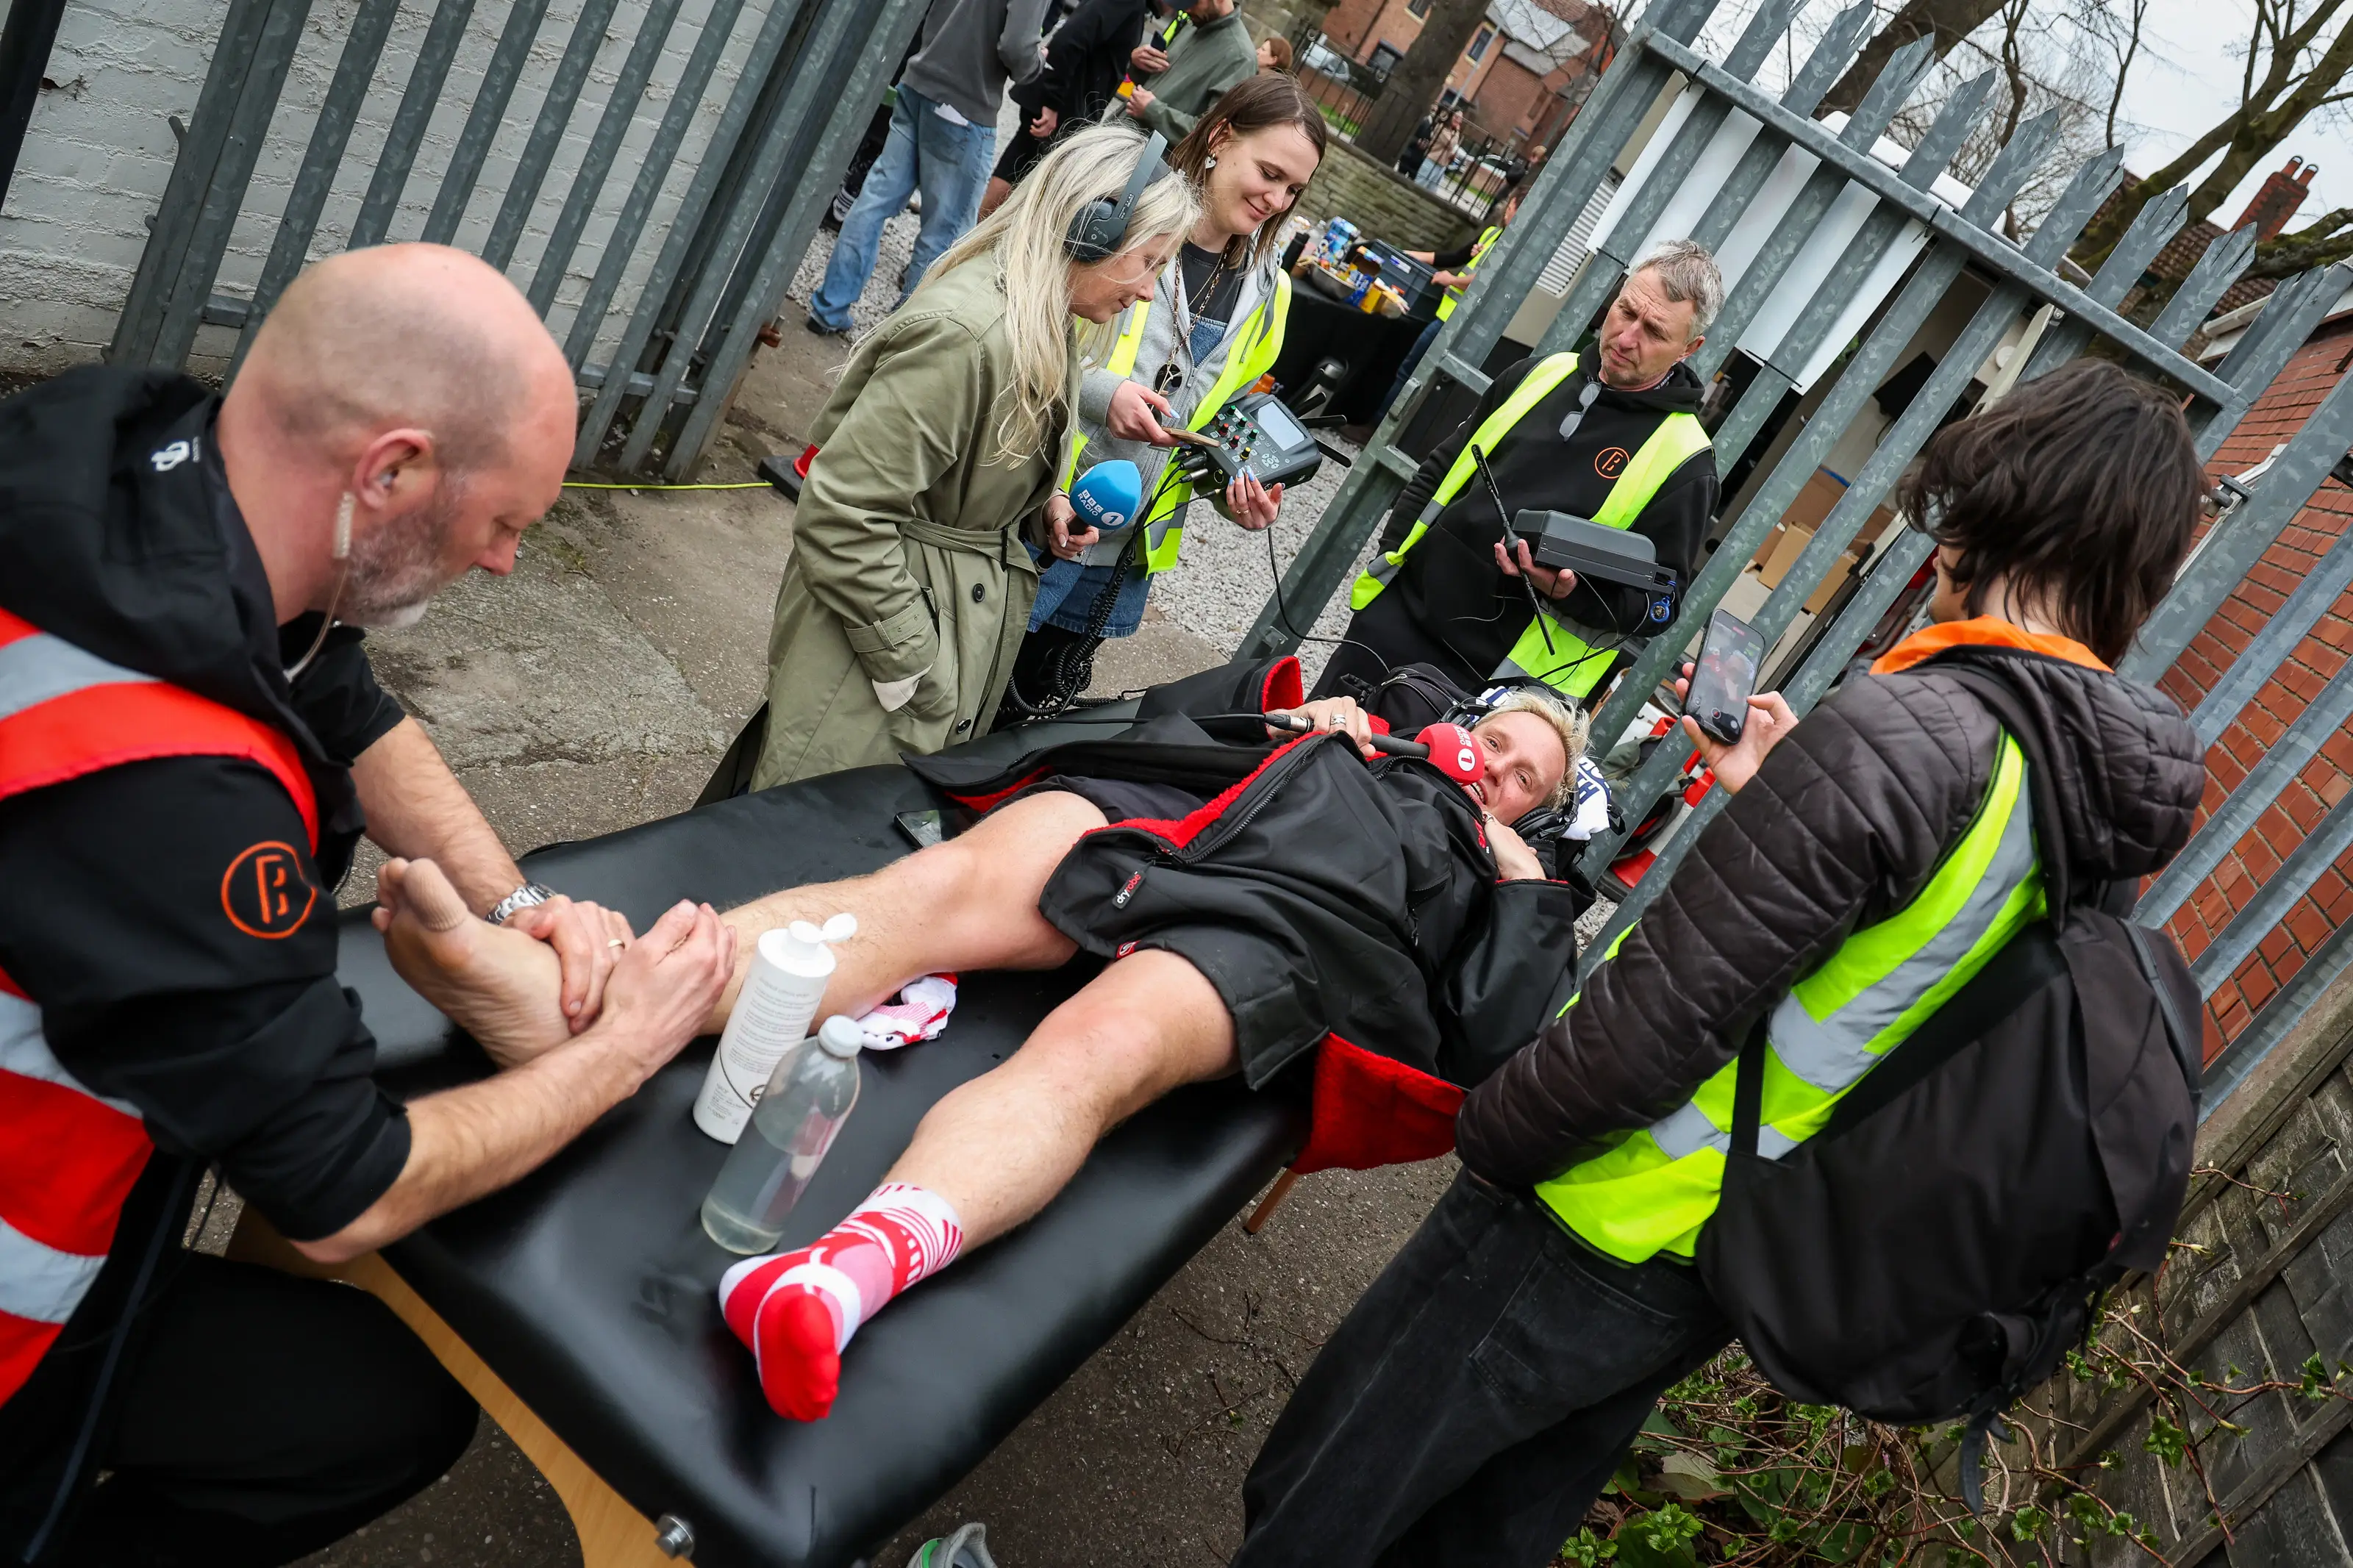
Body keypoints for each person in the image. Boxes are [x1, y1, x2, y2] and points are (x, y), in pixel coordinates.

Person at [1232, 359, 2211, 1566]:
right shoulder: (2077, 793)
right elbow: (1907, 988)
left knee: (1327, 1499)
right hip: (1732, 1244)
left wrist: (1497, 1134)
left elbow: (1659, 1018)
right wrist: (1782, 804)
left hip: (1599, 1204)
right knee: (1472, 1537)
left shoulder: (1918, 734)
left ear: (2000, 497)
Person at [0, 243, 738, 1567]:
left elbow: (338, 696)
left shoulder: (129, 464)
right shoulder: (158, 789)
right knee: (361, 1408)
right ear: (390, 473)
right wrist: (626, 1047)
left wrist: (520, 905)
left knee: (363, 1400)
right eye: (504, 521)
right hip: (17, 1300)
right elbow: (341, 1186)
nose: (510, 563)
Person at [370, 677, 1588, 1422]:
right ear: (1465, 719)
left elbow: (1488, 1035)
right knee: (927, 893)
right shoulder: (1354, 730)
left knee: (1099, 1050)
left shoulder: (1498, 871)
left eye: (1533, 778)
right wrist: (1298, 717)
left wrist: (1526, 890)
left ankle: (832, 1281)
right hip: (1176, 813)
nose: (1507, 769)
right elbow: (1175, 722)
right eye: (1506, 740)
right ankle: (566, 999)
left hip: (1301, 931)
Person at [753, 125, 1196, 788]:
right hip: (882, 662)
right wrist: (917, 667)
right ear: (1088, 229)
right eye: (1149, 261)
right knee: (797, 862)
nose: (1146, 292)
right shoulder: (968, 335)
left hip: (938, 631)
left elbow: (964, 457)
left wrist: (1036, 502)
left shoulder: (1037, 318)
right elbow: (842, 513)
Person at [999, 73, 1325, 719]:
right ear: (1221, 135)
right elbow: (1015, 323)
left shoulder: (1269, 294)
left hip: (1119, 552)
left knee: (1022, 721)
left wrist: (1235, 487)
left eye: (1293, 190)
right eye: (1269, 172)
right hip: (1036, 503)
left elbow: (1212, 422)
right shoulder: (1119, 212)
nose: (1276, 199)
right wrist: (1102, 391)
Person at [1319, 239, 1724, 709]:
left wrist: (1572, 592)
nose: (1626, 337)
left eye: (1654, 330)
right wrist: (1392, 557)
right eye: (1625, 310)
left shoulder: (1686, 461)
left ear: (1689, 348)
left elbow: (1660, 605)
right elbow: (1444, 468)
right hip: (1396, 621)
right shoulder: (1541, 373)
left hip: (1492, 691)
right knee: (1298, 760)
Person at [805, 0, 1053, 337]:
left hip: (919, 81)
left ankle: (828, 309)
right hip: (966, 105)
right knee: (945, 233)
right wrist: (1036, 63)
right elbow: (1017, 46)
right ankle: (900, 338)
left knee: (874, 201)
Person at [976, 0, 1161, 222]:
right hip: (1062, 105)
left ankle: (974, 235)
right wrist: (1052, 102)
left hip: (1065, 102)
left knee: (1020, 168)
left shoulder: (1134, 7)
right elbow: (1070, 39)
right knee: (1023, 175)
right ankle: (974, 236)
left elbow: (1094, 38)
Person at [1363, 187, 1518, 429]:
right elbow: (1454, 257)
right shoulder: (1491, 235)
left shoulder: (1515, 249)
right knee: (1412, 372)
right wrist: (1408, 255)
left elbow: (1489, 280)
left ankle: (1375, 430)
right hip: (1446, 314)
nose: (1509, 211)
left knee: (1411, 373)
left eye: (1513, 207)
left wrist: (1452, 280)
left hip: (1458, 321)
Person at [1124, 0, 1257, 143]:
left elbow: (1210, 135)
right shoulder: (1194, 24)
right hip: (1123, 135)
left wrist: (1152, 111)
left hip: (1148, 156)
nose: (1186, 9)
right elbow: (1157, 87)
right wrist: (1137, 64)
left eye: (1193, 3)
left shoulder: (1241, 58)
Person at [1415, 106, 1463, 190]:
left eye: (1460, 119)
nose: (1458, 120)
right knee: (1419, 185)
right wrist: (1458, 132)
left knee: (1432, 189)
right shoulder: (1442, 128)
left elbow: (1451, 147)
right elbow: (1451, 144)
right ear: (1451, 116)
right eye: (1456, 117)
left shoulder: (1453, 132)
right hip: (1432, 161)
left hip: (1442, 165)